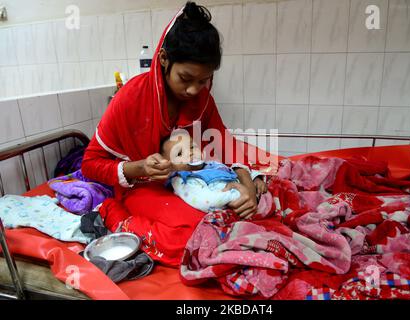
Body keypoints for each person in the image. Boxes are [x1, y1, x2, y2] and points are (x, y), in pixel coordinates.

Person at [81, 2, 275, 266]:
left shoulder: (202, 99)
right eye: (186, 78)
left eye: (203, 80)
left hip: (190, 182)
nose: (195, 90)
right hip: (144, 187)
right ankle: (111, 212)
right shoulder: (130, 99)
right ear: (163, 59)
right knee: (198, 233)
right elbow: (90, 164)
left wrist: (248, 187)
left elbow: (225, 143)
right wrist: (140, 168)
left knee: (246, 208)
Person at [160, 130, 267, 213]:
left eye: (192, 147)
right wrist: (236, 194)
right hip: (238, 205)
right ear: (169, 167)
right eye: (179, 153)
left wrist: (255, 179)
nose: (190, 152)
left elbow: (230, 172)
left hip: (255, 197)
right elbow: (205, 201)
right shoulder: (183, 180)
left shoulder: (212, 165)